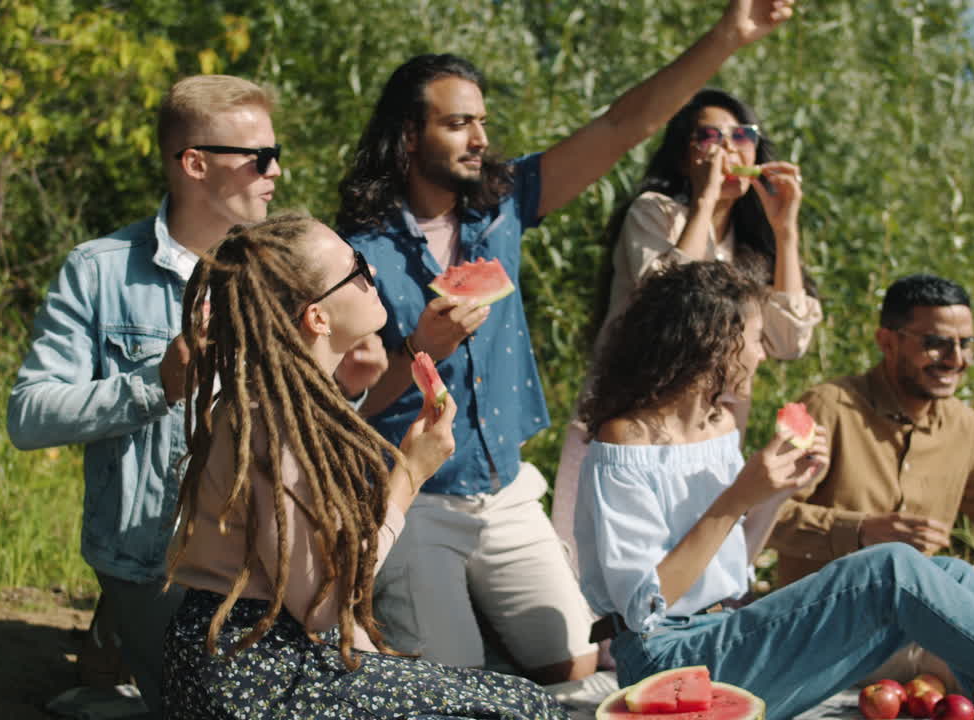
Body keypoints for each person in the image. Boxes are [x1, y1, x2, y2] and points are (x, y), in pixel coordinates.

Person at [336, 0, 799, 685]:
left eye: (482, 123)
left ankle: (460, 619)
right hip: (416, 499)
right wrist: (418, 351)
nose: (478, 139)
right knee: (455, 683)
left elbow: (622, 123)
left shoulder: (503, 207)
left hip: (508, 490)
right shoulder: (355, 254)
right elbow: (348, 407)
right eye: (458, 123)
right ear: (409, 136)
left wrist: (729, 34)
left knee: (577, 662)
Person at [575, 260, 974, 720]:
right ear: (711, 342)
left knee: (954, 576)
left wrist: (775, 492)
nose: (762, 352)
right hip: (668, 657)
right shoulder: (624, 438)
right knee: (894, 567)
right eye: (753, 338)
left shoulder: (719, 425)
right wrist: (739, 497)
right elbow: (641, 609)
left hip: (729, 634)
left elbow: (735, 566)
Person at [161, 213, 568, 720]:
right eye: (355, 267)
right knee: (525, 708)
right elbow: (325, 606)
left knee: (519, 700)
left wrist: (387, 667)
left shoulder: (287, 402)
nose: (370, 271)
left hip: (254, 655)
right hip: (254, 676)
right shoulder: (277, 421)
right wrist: (409, 477)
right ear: (318, 318)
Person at [6, 75, 292, 715]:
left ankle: (117, 640)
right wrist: (156, 386)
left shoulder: (288, 271)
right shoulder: (99, 270)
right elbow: (28, 416)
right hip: (154, 557)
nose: (278, 172)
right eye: (261, 158)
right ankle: (119, 650)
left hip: (269, 553)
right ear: (195, 163)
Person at [551, 87, 822, 573]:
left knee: (693, 570)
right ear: (684, 154)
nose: (728, 149)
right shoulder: (654, 213)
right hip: (628, 425)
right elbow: (667, 300)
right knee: (601, 577)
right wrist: (703, 201)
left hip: (711, 432)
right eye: (709, 136)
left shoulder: (755, 249)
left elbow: (790, 341)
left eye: (742, 135)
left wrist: (786, 231)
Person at [770, 273, 974, 684]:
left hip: (933, 606)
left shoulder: (961, 424)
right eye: (936, 343)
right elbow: (763, 519)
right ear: (887, 341)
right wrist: (860, 531)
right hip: (843, 632)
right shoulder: (830, 408)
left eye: (966, 344)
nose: (956, 359)